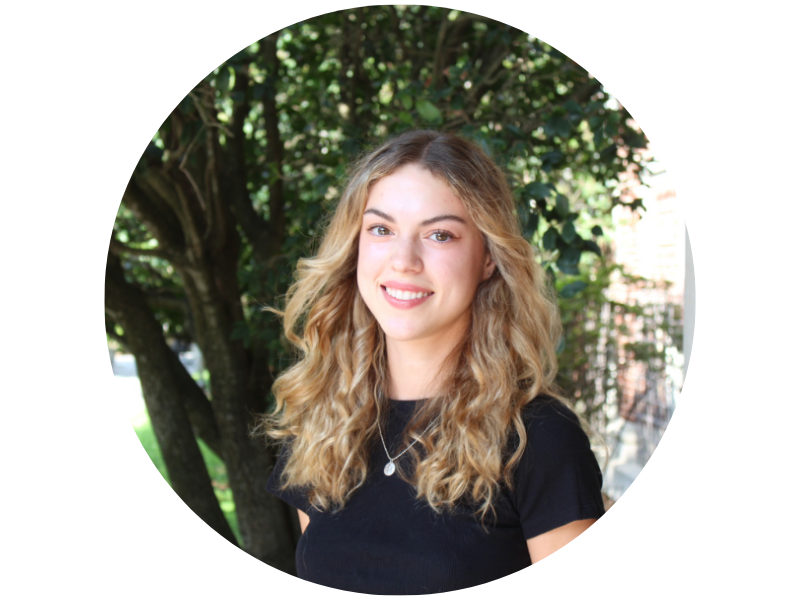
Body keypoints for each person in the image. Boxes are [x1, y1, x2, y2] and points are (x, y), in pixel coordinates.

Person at [262, 130, 605, 594]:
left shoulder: (538, 438)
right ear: (355, 245)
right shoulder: (321, 422)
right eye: (381, 229)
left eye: (439, 234)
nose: (404, 260)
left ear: (487, 258)